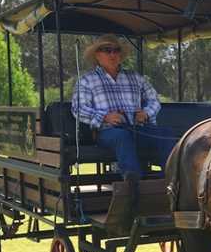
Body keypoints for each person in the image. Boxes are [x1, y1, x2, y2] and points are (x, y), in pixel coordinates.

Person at [71, 34, 175, 181]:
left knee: (166, 133)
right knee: (122, 137)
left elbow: (154, 100)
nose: (112, 54)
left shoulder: (136, 77)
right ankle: (132, 181)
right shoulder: (87, 80)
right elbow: (78, 109)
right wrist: (105, 116)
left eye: (116, 50)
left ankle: (171, 179)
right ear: (97, 55)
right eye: (106, 50)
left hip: (137, 128)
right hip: (107, 132)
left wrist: (145, 113)